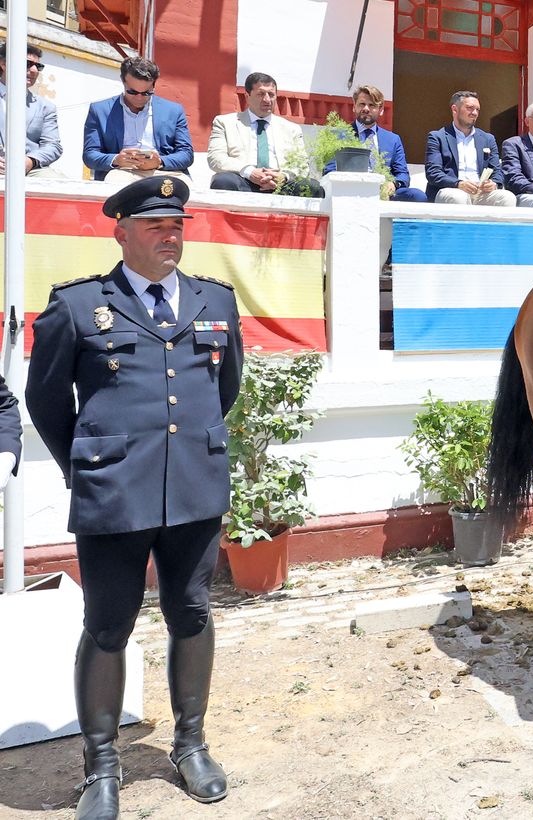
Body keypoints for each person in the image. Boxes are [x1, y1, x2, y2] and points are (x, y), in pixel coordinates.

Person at [26, 175, 244, 819]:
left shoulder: (215, 303)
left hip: (194, 488)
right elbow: (45, 400)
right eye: (155, 227)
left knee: (192, 612)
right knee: (109, 623)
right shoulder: (78, 305)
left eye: (177, 225)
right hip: (115, 489)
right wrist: (88, 463)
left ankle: (191, 743)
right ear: (121, 232)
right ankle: (101, 766)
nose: (170, 236)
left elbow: (223, 390)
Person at [207, 72, 324, 197]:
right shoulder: (225, 123)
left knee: (314, 187)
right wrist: (250, 172)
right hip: (243, 179)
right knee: (222, 181)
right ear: (247, 96)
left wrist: (283, 176)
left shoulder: (291, 129)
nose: (267, 100)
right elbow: (216, 158)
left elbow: (302, 165)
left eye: (271, 95)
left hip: (281, 184)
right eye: (261, 94)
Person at [83, 56, 193, 185]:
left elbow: (186, 154)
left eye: (146, 93)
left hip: (164, 171)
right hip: (120, 172)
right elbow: (89, 155)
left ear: (153, 86)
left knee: (187, 190)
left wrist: (160, 162)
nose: (139, 97)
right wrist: (117, 159)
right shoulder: (99, 110)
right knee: (115, 184)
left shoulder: (173, 111)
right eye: (132, 92)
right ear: (123, 82)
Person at [326, 85, 426, 202]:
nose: (366, 109)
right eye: (362, 104)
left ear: (381, 109)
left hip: (384, 191)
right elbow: (330, 170)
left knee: (417, 196)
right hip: (351, 189)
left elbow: (402, 175)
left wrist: (393, 184)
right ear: (354, 107)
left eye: (372, 105)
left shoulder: (393, 139)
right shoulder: (340, 136)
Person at [424, 91, 514, 206]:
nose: (475, 113)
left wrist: (494, 183)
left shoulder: (488, 139)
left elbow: (497, 170)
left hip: (481, 192)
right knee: (457, 197)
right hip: (452, 189)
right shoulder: (438, 137)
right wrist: (458, 184)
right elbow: (433, 173)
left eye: (477, 109)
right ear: (455, 109)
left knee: (507, 197)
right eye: (470, 108)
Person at [0, 40, 62, 177]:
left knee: (58, 182)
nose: (34, 70)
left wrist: (30, 161)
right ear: (4, 64)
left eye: (38, 66)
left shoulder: (46, 107)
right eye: (27, 64)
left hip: (30, 170)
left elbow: (53, 146)